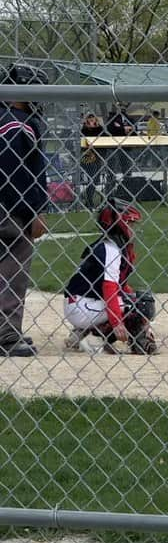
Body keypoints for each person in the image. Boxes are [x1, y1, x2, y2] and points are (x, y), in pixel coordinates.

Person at [63, 196, 158, 354]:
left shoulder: (112, 246)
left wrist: (132, 300)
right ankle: (97, 337)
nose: (133, 228)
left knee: (136, 300)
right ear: (120, 224)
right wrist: (117, 322)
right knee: (142, 305)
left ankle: (83, 331)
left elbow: (119, 286)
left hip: (83, 303)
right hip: (81, 305)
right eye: (130, 223)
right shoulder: (111, 249)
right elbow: (109, 288)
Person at [0, 62, 49, 357]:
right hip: (9, 208)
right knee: (13, 267)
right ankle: (7, 335)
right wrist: (33, 213)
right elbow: (17, 173)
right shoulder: (18, 122)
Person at [80, 113, 104, 209]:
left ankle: (89, 199)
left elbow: (104, 136)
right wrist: (88, 126)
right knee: (92, 179)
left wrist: (97, 126)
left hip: (97, 157)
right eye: (89, 119)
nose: (91, 121)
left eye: (93, 119)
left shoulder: (99, 129)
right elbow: (85, 138)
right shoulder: (84, 129)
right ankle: (89, 201)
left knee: (95, 180)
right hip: (88, 158)